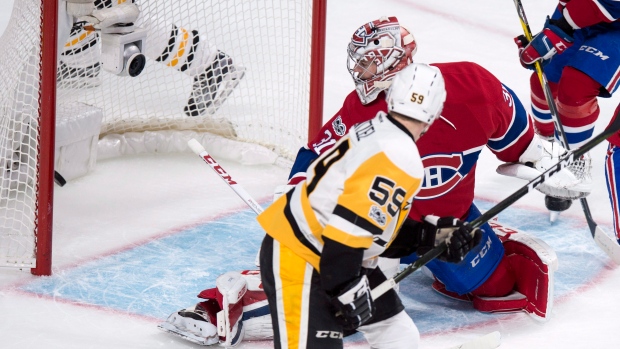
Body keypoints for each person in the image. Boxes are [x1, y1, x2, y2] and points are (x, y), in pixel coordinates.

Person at [157, 16, 560, 347]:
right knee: (342, 310)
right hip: (370, 233)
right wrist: (347, 281)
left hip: (425, 223)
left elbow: (520, 145)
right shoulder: (374, 133)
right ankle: (232, 300)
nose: (364, 75)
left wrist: (544, 165)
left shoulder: (474, 89)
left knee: (494, 286)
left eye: (372, 62)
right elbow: (339, 223)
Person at [257, 63, 482, 349]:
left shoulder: (375, 129)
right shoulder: (400, 156)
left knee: (398, 336)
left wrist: (429, 236)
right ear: (436, 113)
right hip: (301, 256)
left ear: (391, 97)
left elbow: (367, 226)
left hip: (332, 254)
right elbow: (345, 236)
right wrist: (344, 288)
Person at [514, 0, 620, 240]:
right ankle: (548, 147)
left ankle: (573, 160)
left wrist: (561, 27)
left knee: (575, 88)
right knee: (543, 85)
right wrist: (559, 25)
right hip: (579, 9)